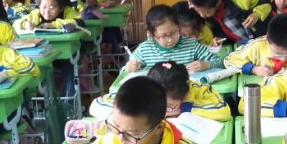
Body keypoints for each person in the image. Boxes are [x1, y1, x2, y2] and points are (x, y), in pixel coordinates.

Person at [54, 76, 209, 144]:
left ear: (159, 128)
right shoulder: (108, 143)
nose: (121, 139)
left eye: (131, 134)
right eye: (115, 126)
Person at [92, 61, 231, 122]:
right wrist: (141, 109)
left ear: (185, 94)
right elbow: (97, 105)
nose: (163, 110)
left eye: (169, 106)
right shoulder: (140, 89)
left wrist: (184, 109)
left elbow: (223, 111)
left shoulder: (199, 89)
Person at [125, 5, 223, 74]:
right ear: (152, 34)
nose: (170, 40)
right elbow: (125, 70)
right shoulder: (144, 50)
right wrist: (130, 67)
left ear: (178, 26)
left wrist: (206, 64)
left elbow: (221, 62)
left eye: (174, 33)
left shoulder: (191, 45)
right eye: (164, 36)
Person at [225, 14, 287, 78]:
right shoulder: (257, 46)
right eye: (278, 53)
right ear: (267, 40)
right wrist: (254, 69)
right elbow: (230, 60)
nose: (283, 59)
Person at [189, 0, 267, 44]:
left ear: (218, 3)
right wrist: (220, 39)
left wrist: (257, 13)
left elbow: (265, 1)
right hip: (242, 44)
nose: (202, 15)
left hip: (262, 38)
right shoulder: (206, 10)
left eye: (206, 13)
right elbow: (220, 30)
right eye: (198, 11)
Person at [13, 0, 81, 32]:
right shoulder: (36, 14)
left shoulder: (67, 11)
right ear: (39, 6)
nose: (47, 12)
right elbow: (15, 24)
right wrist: (25, 24)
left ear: (61, 8)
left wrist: (52, 25)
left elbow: (79, 21)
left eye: (52, 8)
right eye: (44, 7)